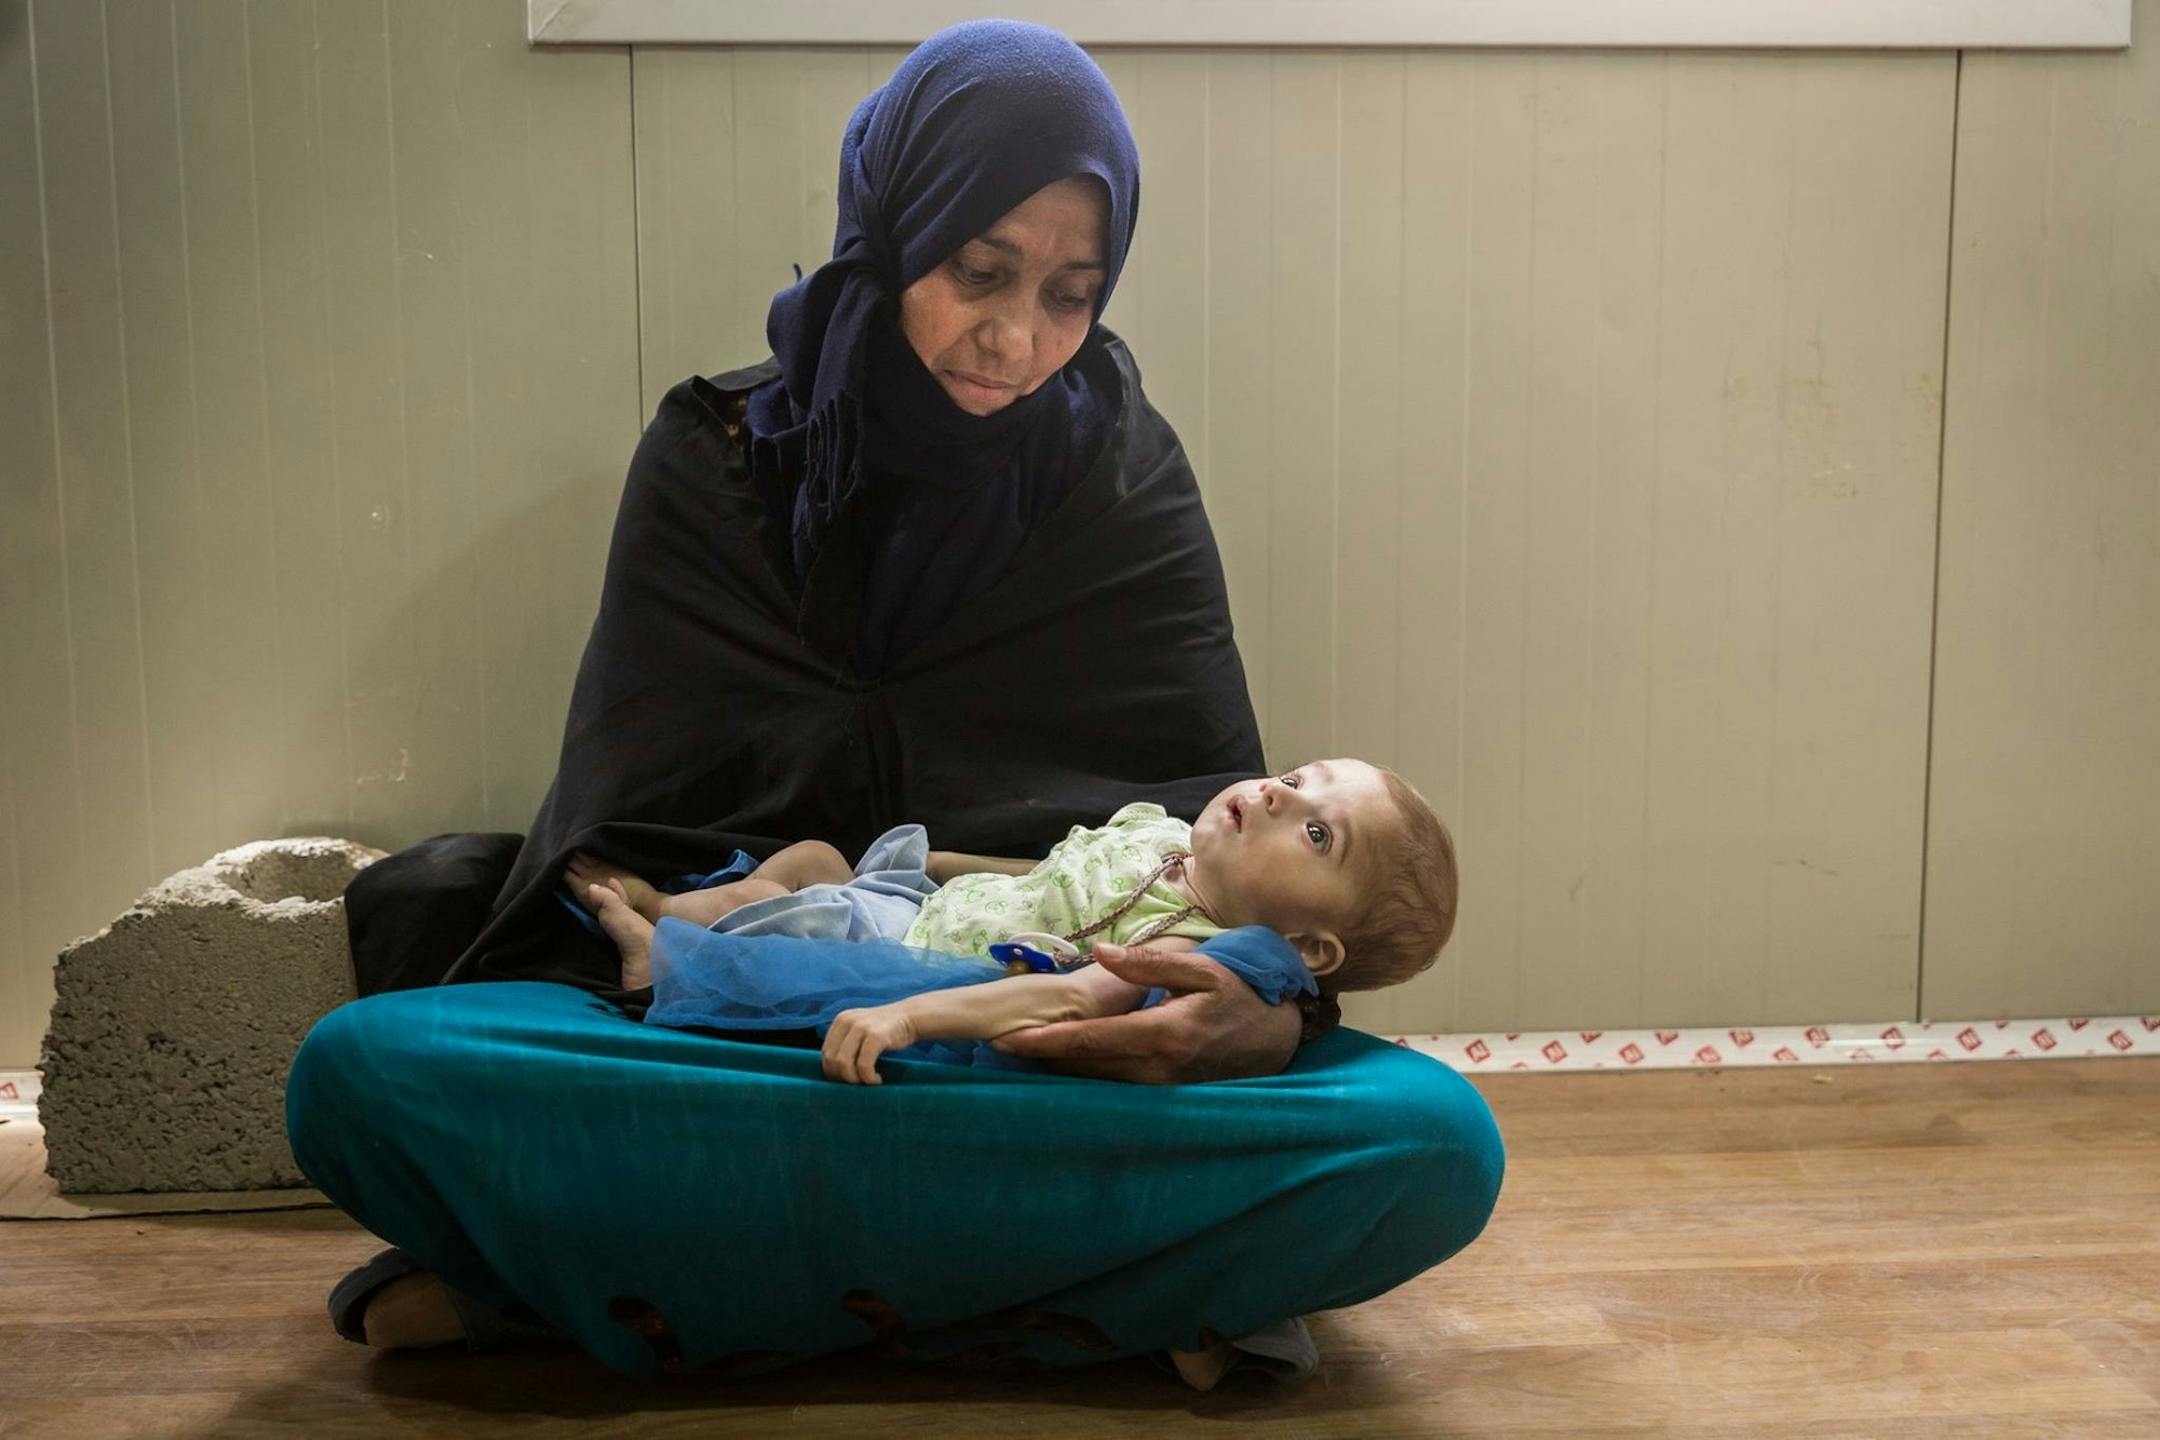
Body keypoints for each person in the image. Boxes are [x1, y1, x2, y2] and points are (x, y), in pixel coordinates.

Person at [304, 21, 1503, 1383]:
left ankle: (666, 1286)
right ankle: (1078, 1295)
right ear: (891, 228)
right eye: (980, 271)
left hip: (1036, 1054)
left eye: (1072, 293)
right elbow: (630, 825)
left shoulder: (1120, 481)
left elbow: (1192, 854)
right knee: (364, 1070)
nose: (1017, 337)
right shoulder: (713, 461)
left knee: (1436, 1139)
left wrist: (1262, 1014)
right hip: (753, 1027)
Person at [563, 759, 1458, 1086]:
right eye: (1298, 776)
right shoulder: (1157, 829)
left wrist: (910, 1015)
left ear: (1307, 948)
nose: (1275, 791)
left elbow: (1067, 1000)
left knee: (819, 921)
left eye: (1313, 830)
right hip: (931, 903)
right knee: (814, 859)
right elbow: (1046, 873)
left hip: (928, 958)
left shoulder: (1187, 953)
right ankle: (676, 905)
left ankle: (666, 955)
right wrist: (935, 861)